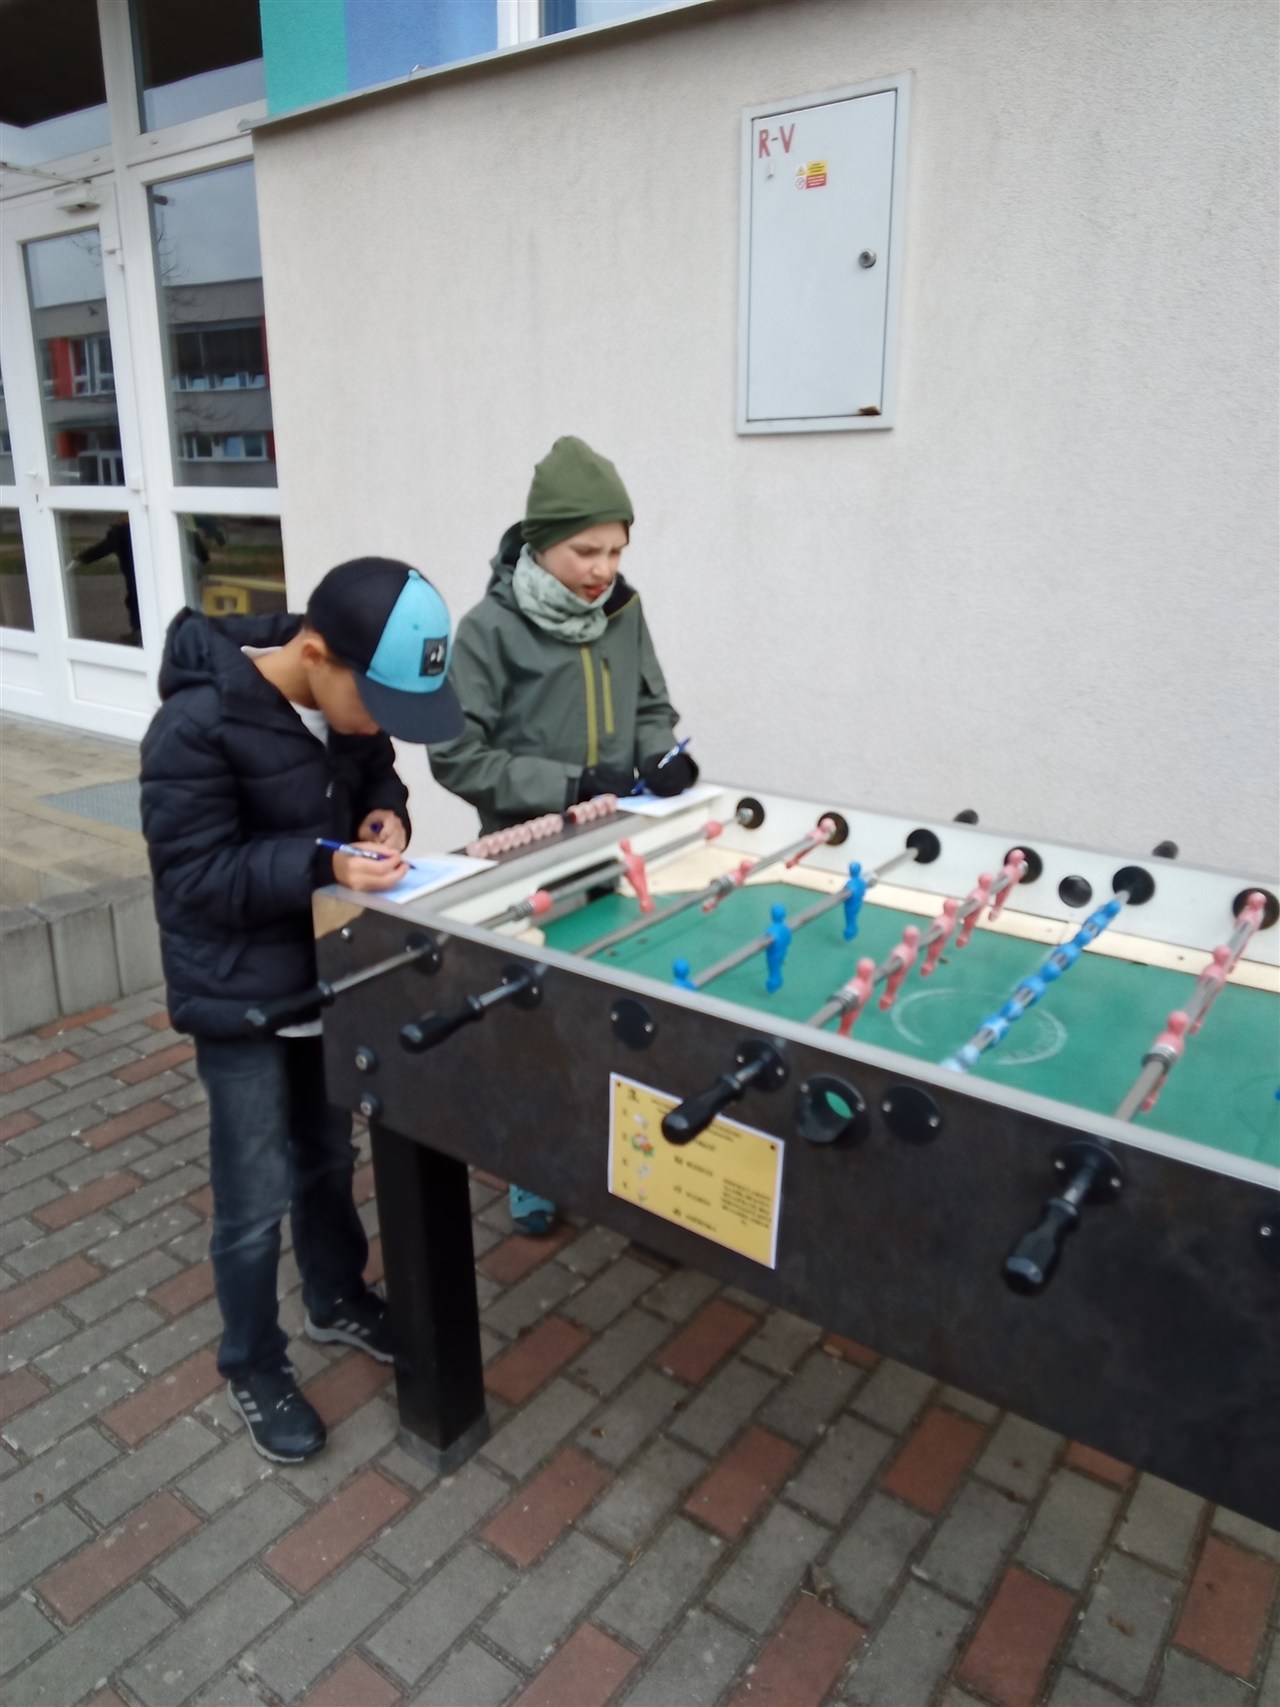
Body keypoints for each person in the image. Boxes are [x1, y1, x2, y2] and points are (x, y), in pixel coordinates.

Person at [140, 558, 464, 1463]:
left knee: (327, 1155)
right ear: (316, 654)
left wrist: (386, 818)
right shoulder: (195, 726)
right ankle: (252, 1359)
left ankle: (335, 1295)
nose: (383, 723)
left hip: (325, 977)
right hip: (238, 995)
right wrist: (324, 864)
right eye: (380, 701)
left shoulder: (347, 706)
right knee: (253, 1194)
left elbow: (376, 773)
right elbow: (196, 875)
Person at [429, 436, 696, 1234]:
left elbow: (651, 704)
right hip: (529, 859)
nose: (603, 568)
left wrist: (660, 753)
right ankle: (534, 1164)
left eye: (616, 550)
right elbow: (455, 754)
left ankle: (629, 1167)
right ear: (540, 541)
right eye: (587, 550)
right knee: (533, 1021)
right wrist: (566, 787)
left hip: (618, 851)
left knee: (622, 1010)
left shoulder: (624, 611)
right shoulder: (488, 630)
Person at [69, 514, 140, 645]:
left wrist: (83, 557)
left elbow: (103, 548)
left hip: (133, 574)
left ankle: (138, 632)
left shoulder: (121, 533)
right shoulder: (139, 529)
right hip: (142, 572)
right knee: (137, 600)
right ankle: (141, 632)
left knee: (135, 601)